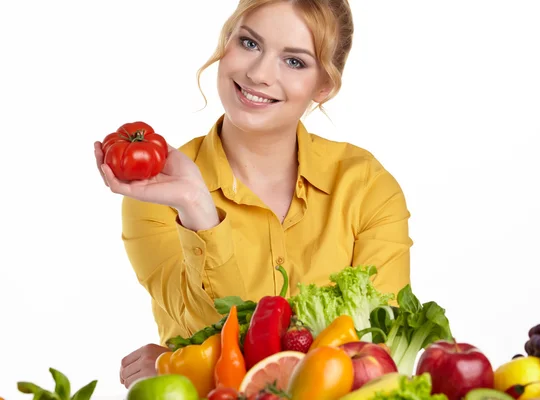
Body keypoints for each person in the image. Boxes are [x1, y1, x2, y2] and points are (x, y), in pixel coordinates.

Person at [94, 0, 413, 389]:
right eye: (249, 43)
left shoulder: (365, 186)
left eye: (294, 61)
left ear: (324, 86)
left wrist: (177, 364)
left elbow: (376, 351)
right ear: (225, 42)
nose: (259, 73)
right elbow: (203, 330)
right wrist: (197, 209)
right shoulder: (161, 192)